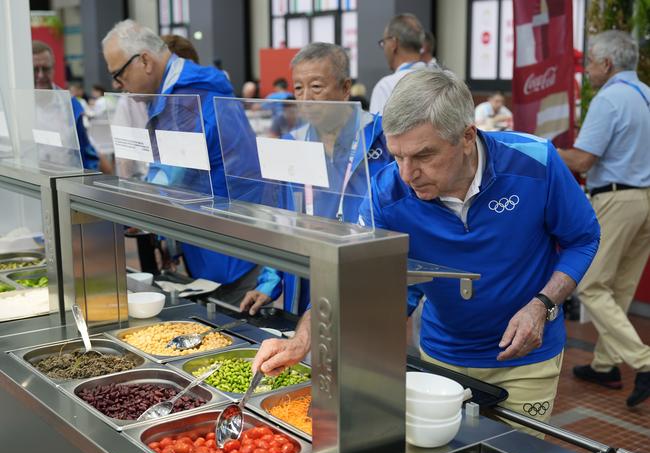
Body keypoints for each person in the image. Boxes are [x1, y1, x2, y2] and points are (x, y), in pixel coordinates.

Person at [253, 69, 600, 430]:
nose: (407, 173)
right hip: (440, 356)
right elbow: (349, 275)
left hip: (527, 359)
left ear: (467, 136)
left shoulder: (536, 162)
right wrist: (303, 339)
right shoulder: (385, 193)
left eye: (423, 156)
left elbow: (583, 238)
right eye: (397, 156)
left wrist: (542, 305)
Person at [102, 20, 258, 305]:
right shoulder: (173, 93)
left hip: (231, 243)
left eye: (119, 74)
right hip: (210, 235)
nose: (116, 85)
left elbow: (170, 176)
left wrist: (128, 206)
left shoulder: (188, 96)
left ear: (145, 61)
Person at [240, 43, 392, 316]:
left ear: (346, 89)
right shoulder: (292, 143)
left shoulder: (382, 137)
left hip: (367, 275)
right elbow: (281, 220)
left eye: (317, 87)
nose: (306, 98)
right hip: (307, 276)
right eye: (298, 88)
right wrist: (269, 282)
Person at [557, 30, 650, 407]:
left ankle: (643, 362)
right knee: (619, 286)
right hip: (645, 199)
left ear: (607, 64)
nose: (588, 70)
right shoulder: (646, 94)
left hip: (617, 198)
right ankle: (605, 364)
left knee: (592, 284)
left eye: (590, 63)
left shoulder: (609, 98)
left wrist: (542, 149)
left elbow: (582, 161)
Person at [32, 40, 101, 171]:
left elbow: (86, 152)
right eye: (35, 69)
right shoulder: (19, 106)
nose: (40, 75)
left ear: (53, 68)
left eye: (45, 69)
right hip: (30, 182)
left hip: (66, 181)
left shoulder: (70, 105)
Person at [369, 13, 427, 115]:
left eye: (384, 42)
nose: (384, 48)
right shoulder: (444, 79)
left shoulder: (386, 86)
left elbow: (376, 130)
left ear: (393, 43)